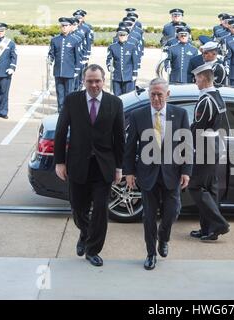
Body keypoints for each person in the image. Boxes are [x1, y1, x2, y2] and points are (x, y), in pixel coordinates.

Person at [54, 64, 125, 267]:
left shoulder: (115, 103)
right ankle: (85, 233)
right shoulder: (72, 100)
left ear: (104, 81)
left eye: (97, 81)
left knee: (101, 210)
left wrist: (119, 167)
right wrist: (59, 161)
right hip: (77, 164)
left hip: (104, 167)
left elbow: (120, 138)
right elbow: (60, 132)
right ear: (83, 81)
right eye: (90, 81)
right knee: (78, 208)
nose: (94, 85)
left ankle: (93, 249)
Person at [124, 78, 192, 270]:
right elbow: (130, 148)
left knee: (172, 212)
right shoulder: (139, 115)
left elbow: (187, 145)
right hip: (147, 175)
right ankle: (150, 253)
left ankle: (164, 238)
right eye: (152, 94)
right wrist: (129, 172)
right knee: (149, 217)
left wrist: (187, 171)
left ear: (167, 95)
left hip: (172, 173)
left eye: (159, 94)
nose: (155, 98)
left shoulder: (179, 114)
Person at [189, 63, 230, 241]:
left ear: (204, 78)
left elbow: (198, 125)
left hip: (205, 144)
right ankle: (208, 229)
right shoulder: (217, 95)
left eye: (197, 77)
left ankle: (219, 224)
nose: (195, 81)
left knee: (195, 186)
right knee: (210, 188)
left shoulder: (206, 100)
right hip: (214, 143)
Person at [47, 17, 81, 112]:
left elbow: (77, 57)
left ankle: (69, 111)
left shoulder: (75, 40)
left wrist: (77, 70)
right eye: (62, 26)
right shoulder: (55, 40)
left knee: (69, 93)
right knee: (60, 93)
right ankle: (60, 111)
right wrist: (49, 60)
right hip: (58, 71)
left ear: (70, 27)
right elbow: (51, 53)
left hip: (69, 71)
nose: (64, 28)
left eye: (66, 26)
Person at [106, 26, 139, 95]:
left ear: (127, 36)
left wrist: (135, 74)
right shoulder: (112, 47)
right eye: (120, 35)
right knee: (117, 97)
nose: (122, 37)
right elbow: (109, 59)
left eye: (124, 35)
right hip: (116, 77)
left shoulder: (132, 46)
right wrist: (109, 66)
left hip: (129, 76)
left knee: (128, 97)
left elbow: (135, 61)